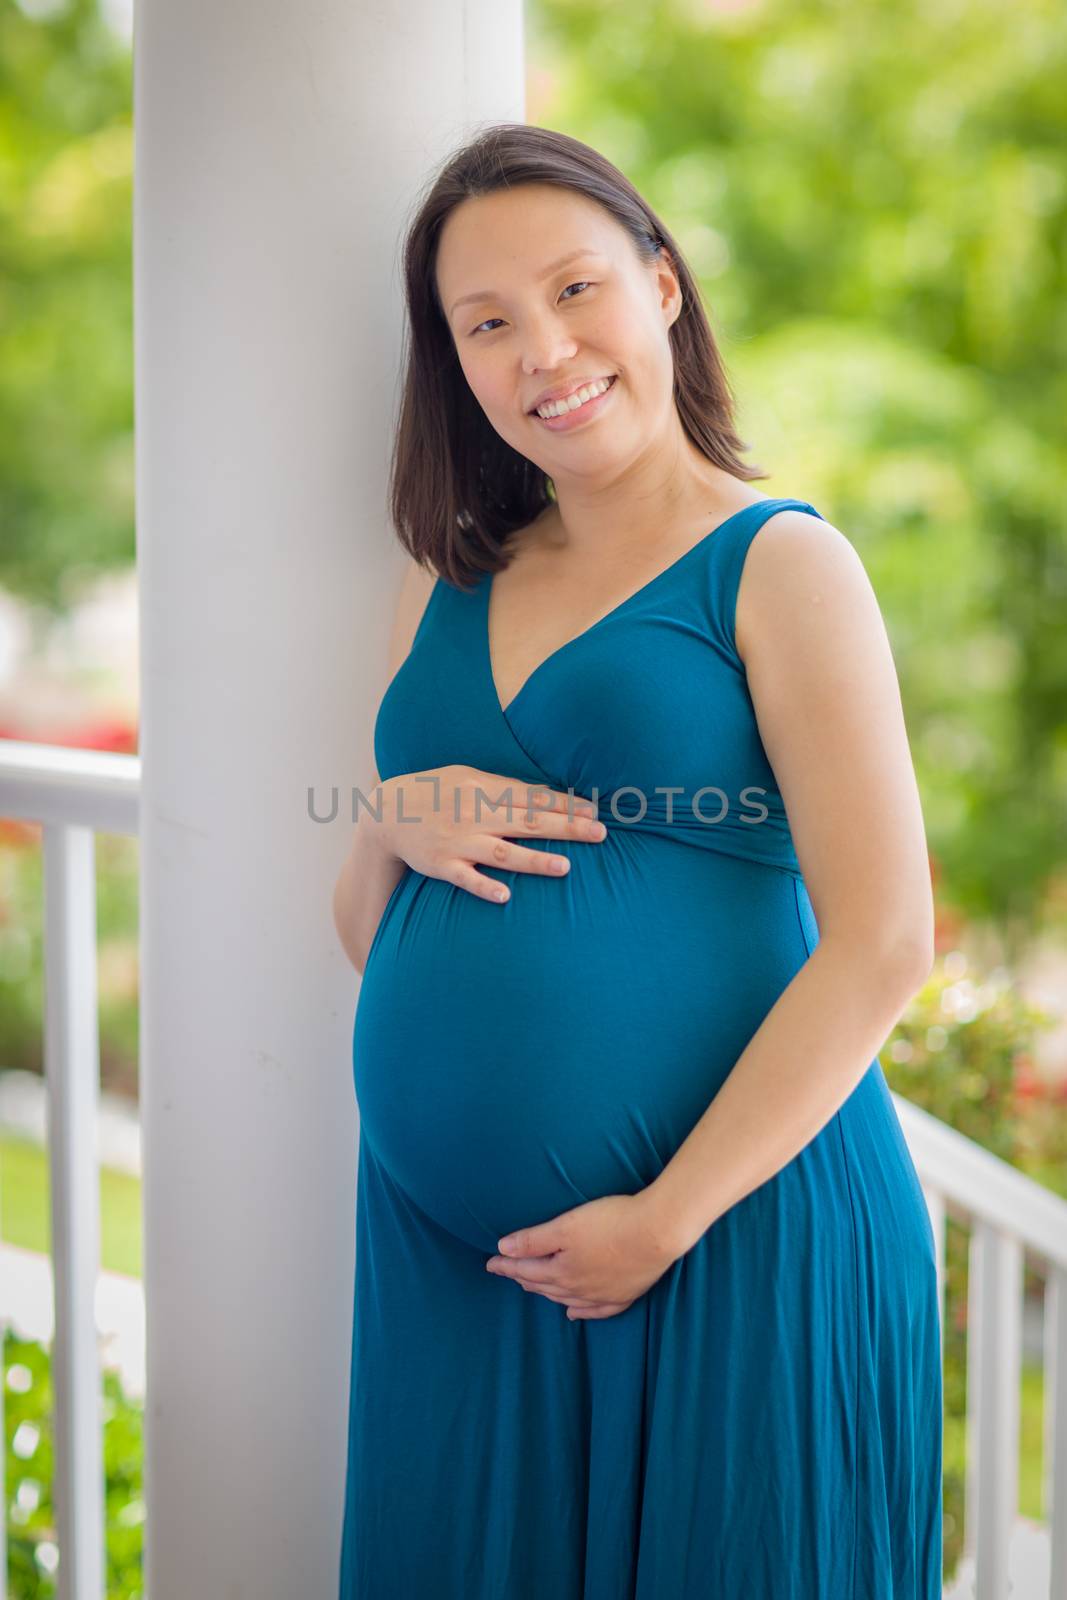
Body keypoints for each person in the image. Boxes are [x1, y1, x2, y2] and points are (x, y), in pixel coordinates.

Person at [332, 123, 943, 1598]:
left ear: (662, 289)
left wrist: (661, 1220)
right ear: (456, 363)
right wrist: (383, 817)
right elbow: (369, 928)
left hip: (727, 1232)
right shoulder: (451, 579)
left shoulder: (781, 563)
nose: (542, 349)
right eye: (487, 323)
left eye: (575, 290)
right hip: (462, 1267)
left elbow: (884, 941)